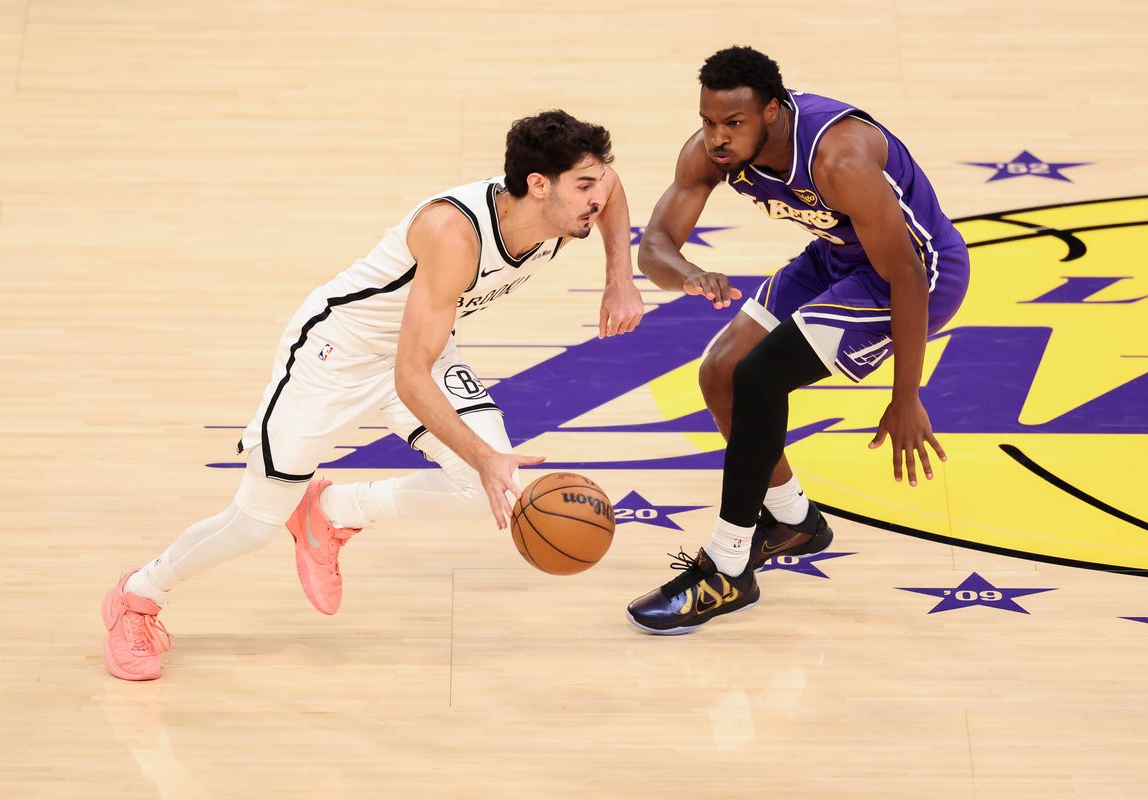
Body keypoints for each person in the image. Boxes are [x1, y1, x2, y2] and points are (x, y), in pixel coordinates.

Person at [102, 110, 645, 679]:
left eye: (597, 182)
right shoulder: (453, 233)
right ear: (539, 185)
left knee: (493, 489)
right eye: (584, 185)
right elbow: (409, 379)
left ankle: (332, 512)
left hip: (422, 349)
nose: (597, 196)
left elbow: (613, 187)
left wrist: (619, 277)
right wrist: (482, 455)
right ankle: (136, 596)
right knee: (256, 523)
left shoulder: (570, 202)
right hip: (335, 357)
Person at [626, 46, 970, 634]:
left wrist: (906, 394)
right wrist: (688, 274)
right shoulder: (713, 151)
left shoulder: (839, 158)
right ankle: (794, 520)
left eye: (733, 124)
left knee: (760, 374)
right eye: (709, 121)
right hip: (837, 256)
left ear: (774, 114)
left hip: (915, 277)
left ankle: (728, 566)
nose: (717, 138)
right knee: (720, 372)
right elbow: (654, 244)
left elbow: (907, 275)